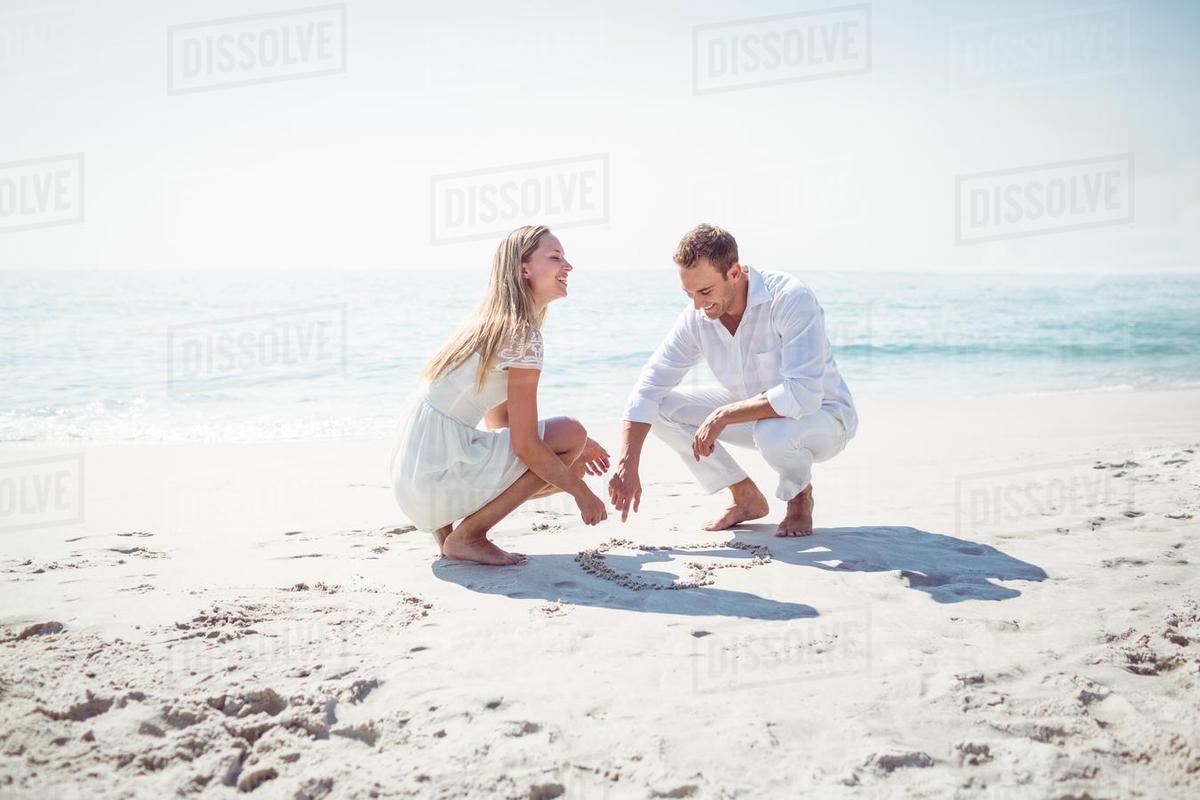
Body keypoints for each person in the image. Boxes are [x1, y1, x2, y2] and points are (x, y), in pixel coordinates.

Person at [608, 223, 857, 536]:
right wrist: (627, 465)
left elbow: (803, 395)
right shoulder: (697, 315)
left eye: (705, 291)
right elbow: (649, 385)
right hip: (756, 417)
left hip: (824, 418)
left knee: (773, 431)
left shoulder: (791, 298)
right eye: (689, 294)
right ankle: (744, 495)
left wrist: (724, 415)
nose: (697, 304)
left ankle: (799, 498)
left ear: (735, 272)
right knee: (661, 408)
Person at [391, 225, 609, 566]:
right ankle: (469, 536)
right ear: (524, 268)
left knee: (571, 458)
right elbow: (523, 444)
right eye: (555, 258)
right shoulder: (522, 335)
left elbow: (500, 425)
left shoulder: (488, 324)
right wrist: (584, 495)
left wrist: (571, 459)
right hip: (436, 481)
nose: (568, 266)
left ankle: (450, 536)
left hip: (416, 485)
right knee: (571, 433)